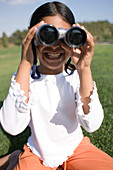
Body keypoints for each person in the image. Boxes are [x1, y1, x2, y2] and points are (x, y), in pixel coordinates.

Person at [0, 1, 113, 170]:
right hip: (38, 152)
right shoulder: (26, 78)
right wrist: (25, 62)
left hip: (76, 148)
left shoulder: (75, 77)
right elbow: (12, 127)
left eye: (65, 38)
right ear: (33, 38)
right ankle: (17, 156)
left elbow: (92, 125)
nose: (55, 46)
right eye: (47, 36)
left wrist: (84, 69)